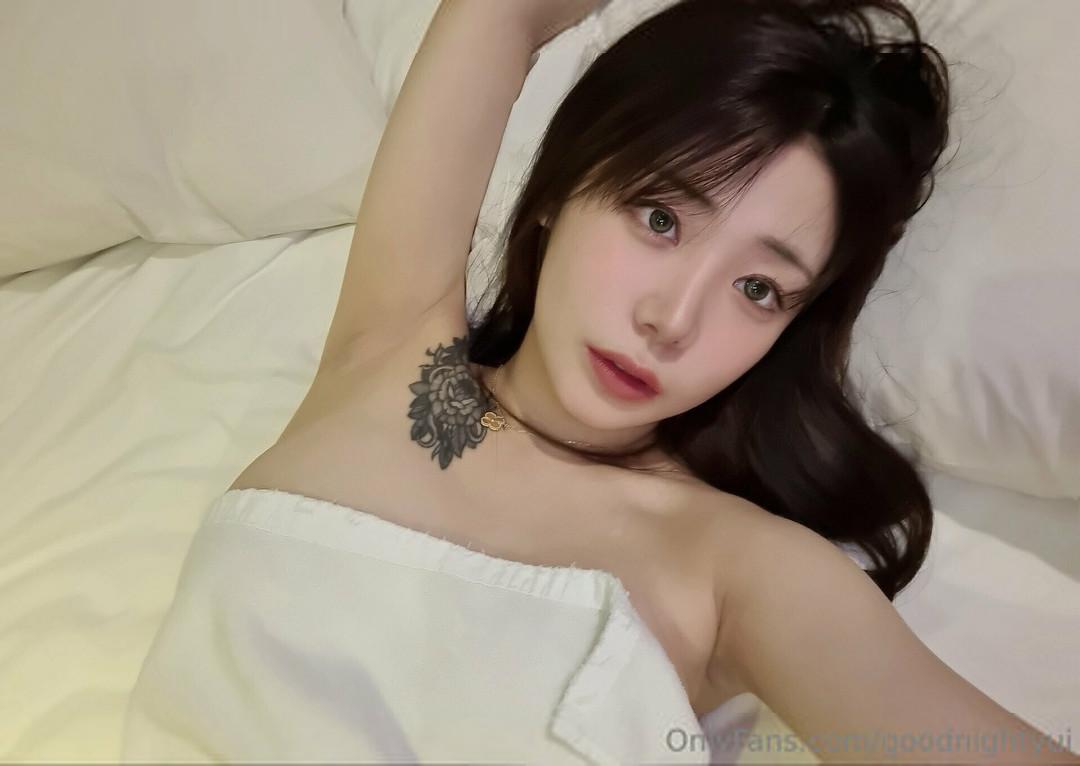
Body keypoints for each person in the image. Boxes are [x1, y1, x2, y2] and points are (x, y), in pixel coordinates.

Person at [125, 0, 1079, 763]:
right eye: (660, 218)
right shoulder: (398, 370)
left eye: (758, 288)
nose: (673, 319)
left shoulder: (739, 570)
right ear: (559, 192)